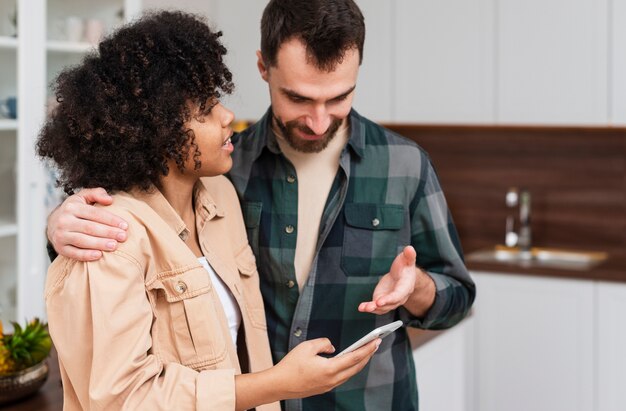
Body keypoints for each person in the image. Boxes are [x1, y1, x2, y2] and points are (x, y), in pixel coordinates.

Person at [46, 1, 476, 410]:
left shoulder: (406, 165)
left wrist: (418, 287)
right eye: (300, 98)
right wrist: (59, 225)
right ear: (262, 68)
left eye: (339, 97)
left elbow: (459, 297)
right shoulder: (227, 171)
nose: (320, 120)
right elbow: (125, 228)